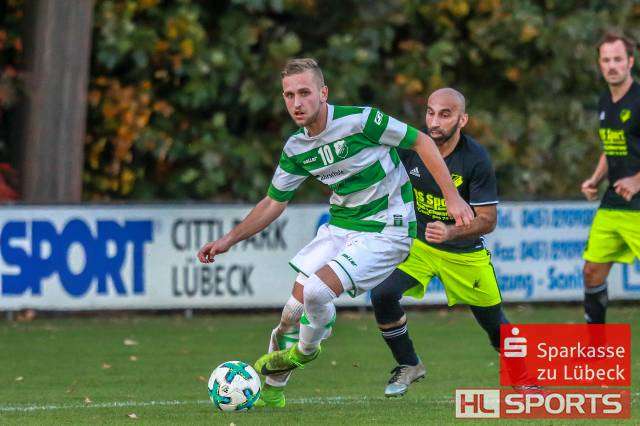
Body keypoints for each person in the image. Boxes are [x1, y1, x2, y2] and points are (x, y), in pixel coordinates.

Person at [197, 58, 474, 407]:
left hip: (388, 228)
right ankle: (271, 392)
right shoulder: (297, 148)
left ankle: (306, 351)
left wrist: (452, 198)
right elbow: (273, 202)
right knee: (291, 312)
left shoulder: (363, 121)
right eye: (289, 95)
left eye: (304, 93)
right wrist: (228, 240)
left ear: (323, 93)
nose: (296, 103)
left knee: (315, 292)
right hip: (341, 227)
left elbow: (421, 142)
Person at [369, 88, 511, 397]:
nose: (434, 122)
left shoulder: (476, 159)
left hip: (464, 253)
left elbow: (488, 220)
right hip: (419, 246)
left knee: (495, 326)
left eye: (445, 115)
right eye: (430, 112)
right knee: (382, 294)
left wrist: (450, 232)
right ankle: (409, 363)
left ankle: (526, 378)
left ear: (463, 119)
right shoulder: (411, 148)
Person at [581, 31, 640, 324]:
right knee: (591, 272)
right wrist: (594, 179)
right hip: (613, 203)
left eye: (618, 59)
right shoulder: (605, 101)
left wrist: (637, 180)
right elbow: (612, 146)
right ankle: (596, 344)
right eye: (606, 60)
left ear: (630, 61)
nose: (612, 65)